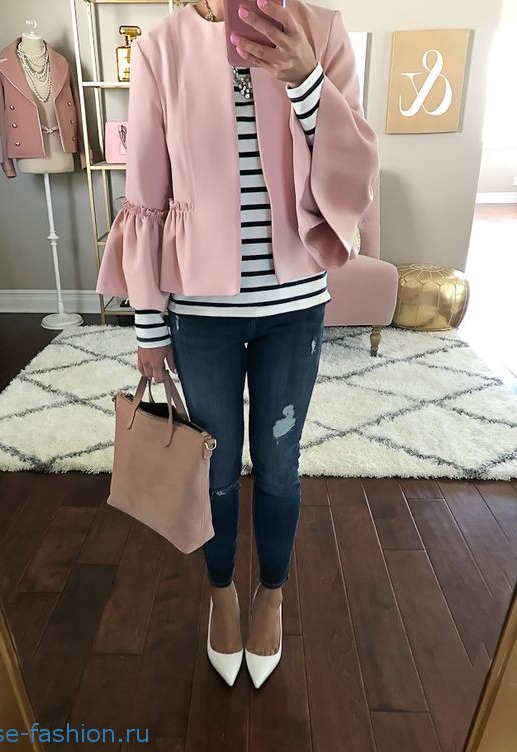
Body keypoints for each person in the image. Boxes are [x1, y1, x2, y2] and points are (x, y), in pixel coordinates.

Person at [96, 0, 379, 688]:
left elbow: (355, 168)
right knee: (216, 469)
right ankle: (221, 591)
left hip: (294, 309)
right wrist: (149, 327)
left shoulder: (320, 29)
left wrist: (307, 78)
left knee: (279, 467)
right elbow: (147, 191)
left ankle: (271, 595)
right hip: (202, 315)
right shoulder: (161, 46)